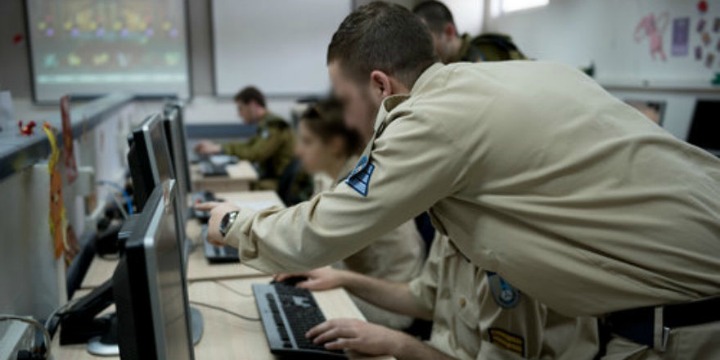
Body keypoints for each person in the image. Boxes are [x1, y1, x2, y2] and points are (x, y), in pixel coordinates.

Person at [197, 3, 720, 359]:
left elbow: (323, 226)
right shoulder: (525, 75)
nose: (345, 117)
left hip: (680, 325)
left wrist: (233, 222)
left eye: (347, 99)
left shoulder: (430, 119)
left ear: (380, 85)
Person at [277, 234, 599, 359]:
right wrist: (343, 278)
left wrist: (398, 343)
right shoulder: (454, 227)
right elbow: (422, 298)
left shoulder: (506, 259)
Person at [294, 98, 425, 329]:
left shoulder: (360, 185)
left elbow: (312, 242)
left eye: (307, 141)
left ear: (335, 144)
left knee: (302, 308)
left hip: (391, 304)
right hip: (354, 279)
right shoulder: (329, 175)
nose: (297, 150)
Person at [194, 86, 294, 189]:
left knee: (239, 187)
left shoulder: (274, 126)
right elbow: (248, 146)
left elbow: (254, 153)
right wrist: (218, 147)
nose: (239, 114)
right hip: (271, 178)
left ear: (252, 105)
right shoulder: (265, 125)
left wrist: (220, 149)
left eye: (241, 108)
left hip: (280, 183)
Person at [413, 0, 526, 63]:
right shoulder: (443, 65)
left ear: (449, 32)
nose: (420, 49)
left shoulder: (487, 52)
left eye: (426, 40)